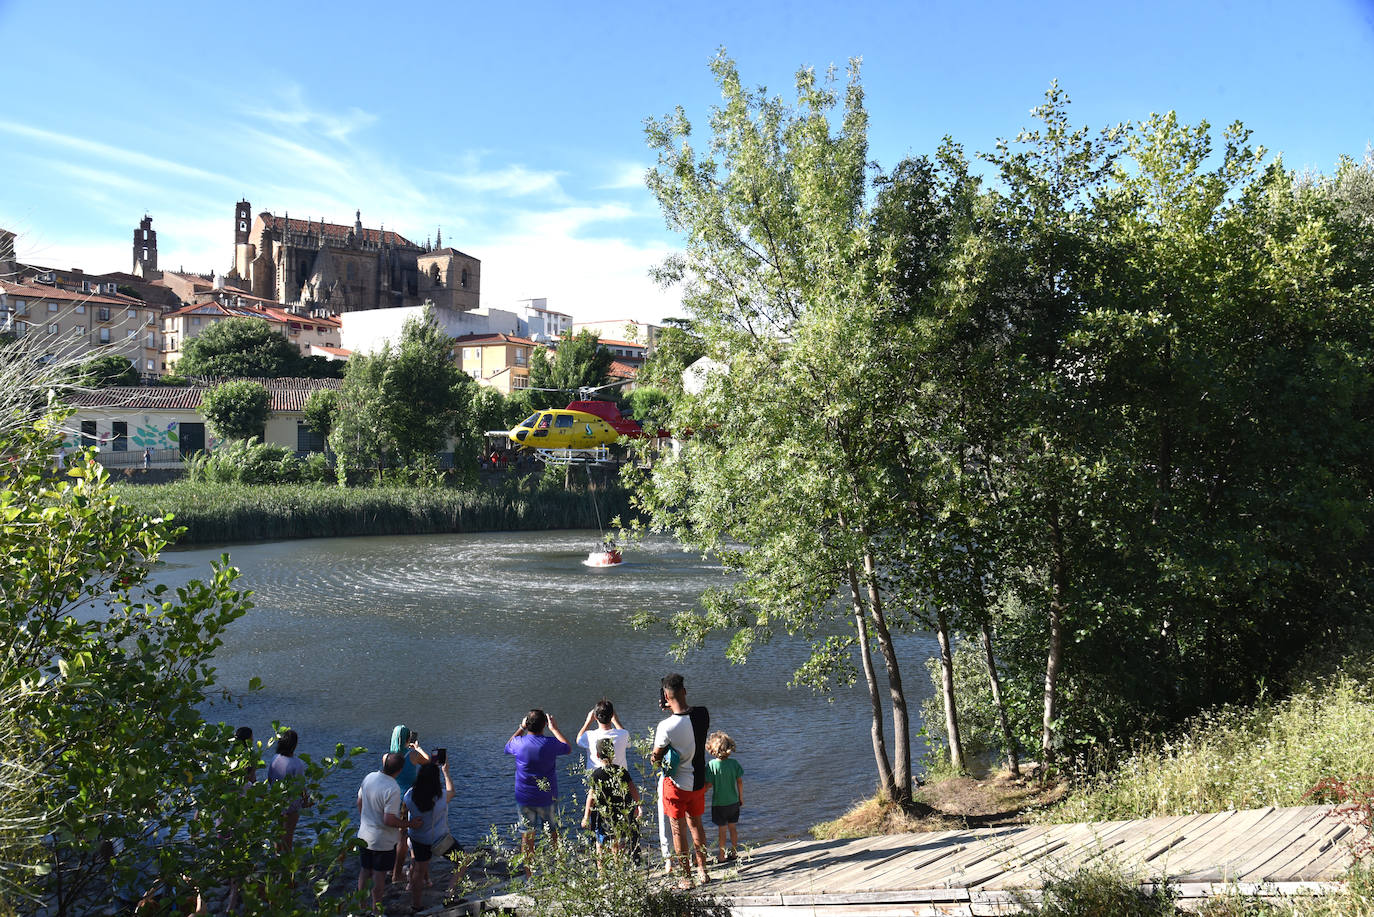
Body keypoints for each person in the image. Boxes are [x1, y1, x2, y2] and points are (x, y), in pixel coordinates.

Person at [650, 673, 711, 887]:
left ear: (666, 696)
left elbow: (656, 757)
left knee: (678, 830)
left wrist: (654, 757)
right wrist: (673, 709)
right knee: (696, 825)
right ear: (684, 691)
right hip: (698, 783)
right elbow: (689, 721)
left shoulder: (665, 726)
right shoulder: (703, 714)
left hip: (676, 786)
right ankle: (702, 870)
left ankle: (686, 877)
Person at [504, 708, 571, 876]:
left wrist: (520, 727)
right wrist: (555, 729)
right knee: (552, 834)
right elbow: (568, 748)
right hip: (547, 797)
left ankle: (529, 876)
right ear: (545, 725)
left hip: (525, 798)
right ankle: (560, 870)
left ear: (527, 725)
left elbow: (507, 746)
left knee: (527, 837)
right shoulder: (550, 743)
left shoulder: (519, 743)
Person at [357, 752, 420, 910]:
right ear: (400, 770)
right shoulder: (393, 788)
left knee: (365, 871)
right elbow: (389, 820)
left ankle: (360, 907)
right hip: (382, 841)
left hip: (364, 835)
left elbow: (359, 801)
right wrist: (409, 824)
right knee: (379, 875)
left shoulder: (369, 777)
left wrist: (366, 819)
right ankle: (376, 910)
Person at [403, 760, 455, 911]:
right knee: (464, 861)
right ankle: (449, 894)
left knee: (418, 870)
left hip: (418, 838)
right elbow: (452, 792)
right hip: (439, 839)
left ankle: (416, 905)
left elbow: (404, 813)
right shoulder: (441, 797)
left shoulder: (409, 795)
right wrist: (446, 773)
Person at [580, 736, 641, 864]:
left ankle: (602, 875)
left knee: (599, 844)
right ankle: (617, 869)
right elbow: (633, 789)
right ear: (613, 753)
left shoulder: (596, 774)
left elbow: (591, 796)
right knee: (616, 841)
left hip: (603, 815)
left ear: (597, 754)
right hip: (620, 813)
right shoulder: (621, 771)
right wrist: (638, 806)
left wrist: (586, 816)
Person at [388, 725, 431, 882]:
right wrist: (418, 748)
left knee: (395, 836)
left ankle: (392, 870)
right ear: (408, 739)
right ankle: (397, 874)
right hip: (407, 800)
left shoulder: (387, 757)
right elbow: (428, 762)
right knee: (406, 838)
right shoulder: (411, 755)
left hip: (391, 798)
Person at [265, 729, 308, 851]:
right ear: (294, 745)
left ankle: (276, 861)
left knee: (279, 834)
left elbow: (270, 778)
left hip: (277, 801)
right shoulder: (297, 763)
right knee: (288, 836)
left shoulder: (275, 758)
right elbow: (300, 786)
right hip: (292, 804)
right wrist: (305, 801)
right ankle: (288, 866)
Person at [705, 731, 744, 862]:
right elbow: (739, 782)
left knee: (722, 830)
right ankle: (734, 852)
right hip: (734, 802)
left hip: (719, 804)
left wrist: (700, 792)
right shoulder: (734, 764)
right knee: (733, 828)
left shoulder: (711, 765)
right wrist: (740, 798)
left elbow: (709, 784)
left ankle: (721, 856)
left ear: (712, 749)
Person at [575, 699, 629, 769]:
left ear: (595, 717)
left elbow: (578, 740)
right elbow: (627, 740)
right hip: (620, 778)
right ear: (612, 715)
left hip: (595, 778)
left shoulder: (589, 736)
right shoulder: (623, 734)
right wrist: (615, 721)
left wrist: (588, 722)